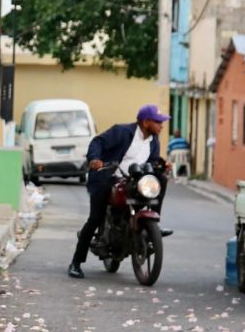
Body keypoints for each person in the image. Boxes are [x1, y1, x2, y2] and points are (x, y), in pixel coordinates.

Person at [68, 104, 172, 279]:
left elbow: (152, 162)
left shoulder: (153, 140)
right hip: (108, 178)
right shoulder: (122, 132)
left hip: (134, 180)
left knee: (160, 179)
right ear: (146, 122)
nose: (162, 125)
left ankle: (153, 224)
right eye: (158, 122)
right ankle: (76, 263)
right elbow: (98, 142)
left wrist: (161, 165)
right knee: (95, 218)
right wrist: (95, 159)